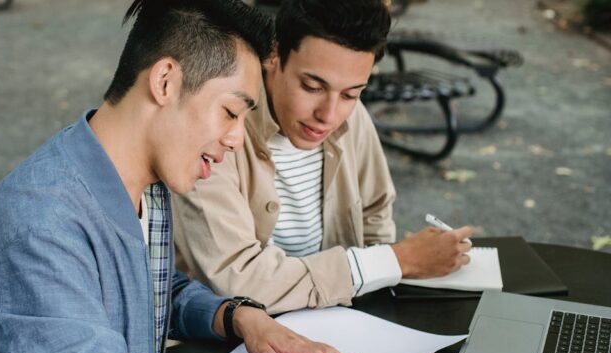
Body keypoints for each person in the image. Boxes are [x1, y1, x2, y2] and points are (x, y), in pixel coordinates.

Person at [0, 0, 402, 353]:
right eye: (229, 111)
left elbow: (150, 288)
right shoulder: (42, 226)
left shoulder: (140, 181)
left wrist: (237, 318)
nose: (236, 139)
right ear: (165, 81)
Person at [172, 0, 476, 314]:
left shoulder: (352, 117)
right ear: (274, 55)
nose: (328, 115)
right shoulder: (218, 131)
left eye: (350, 94)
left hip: (336, 320)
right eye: (312, 86)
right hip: (232, 337)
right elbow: (236, 279)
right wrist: (398, 260)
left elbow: (375, 215)